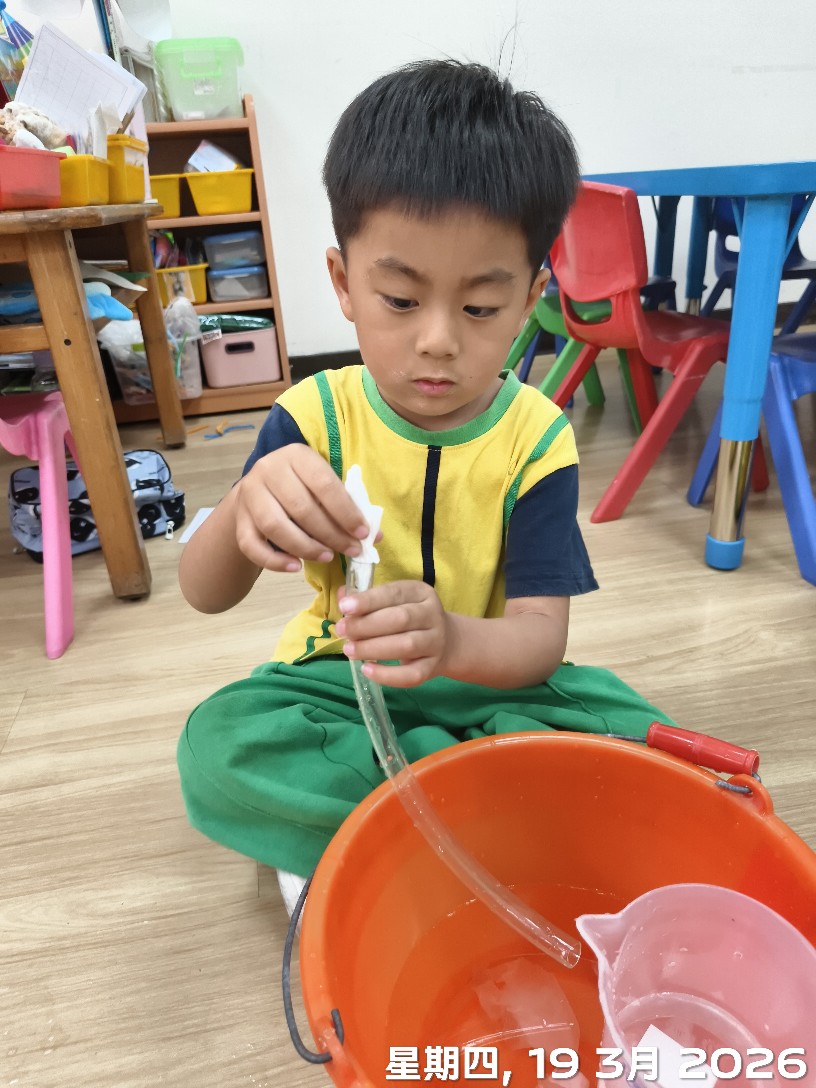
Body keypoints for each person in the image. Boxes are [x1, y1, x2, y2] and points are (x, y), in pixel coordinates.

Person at [176, 59, 675, 894]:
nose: (439, 340)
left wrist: (450, 640)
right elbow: (204, 592)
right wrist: (240, 509)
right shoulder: (313, 418)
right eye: (401, 301)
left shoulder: (536, 439)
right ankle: (477, 817)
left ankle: (399, 821)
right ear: (344, 283)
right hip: (338, 686)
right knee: (218, 744)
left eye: (480, 308)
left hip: (493, 686)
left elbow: (539, 639)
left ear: (530, 299)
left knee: (647, 740)